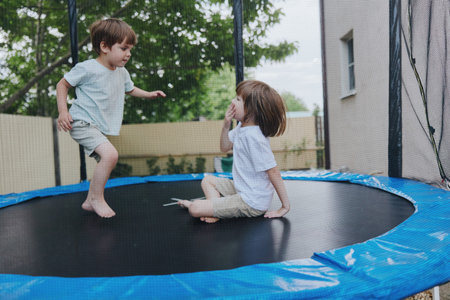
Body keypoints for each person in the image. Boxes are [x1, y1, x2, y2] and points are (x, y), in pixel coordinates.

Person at [56, 18, 166, 218]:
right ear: (104, 46)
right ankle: (96, 199)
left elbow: (130, 89)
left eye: (130, 49)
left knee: (107, 160)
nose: (128, 54)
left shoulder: (122, 73)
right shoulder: (88, 68)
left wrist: (149, 94)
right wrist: (63, 112)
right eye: (123, 48)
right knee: (111, 155)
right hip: (80, 122)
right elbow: (62, 85)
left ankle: (91, 199)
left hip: (97, 127)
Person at [178, 80, 290, 223]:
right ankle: (215, 211)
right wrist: (226, 125)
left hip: (252, 202)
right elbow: (224, 147)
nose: (232, 101)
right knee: (208, 180)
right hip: (242, 189)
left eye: (237, 99)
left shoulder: (255, 137)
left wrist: (285, 206)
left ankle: (212, 209)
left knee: (194, 208)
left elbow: (273, 172)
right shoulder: (242, 128)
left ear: (251, 109)